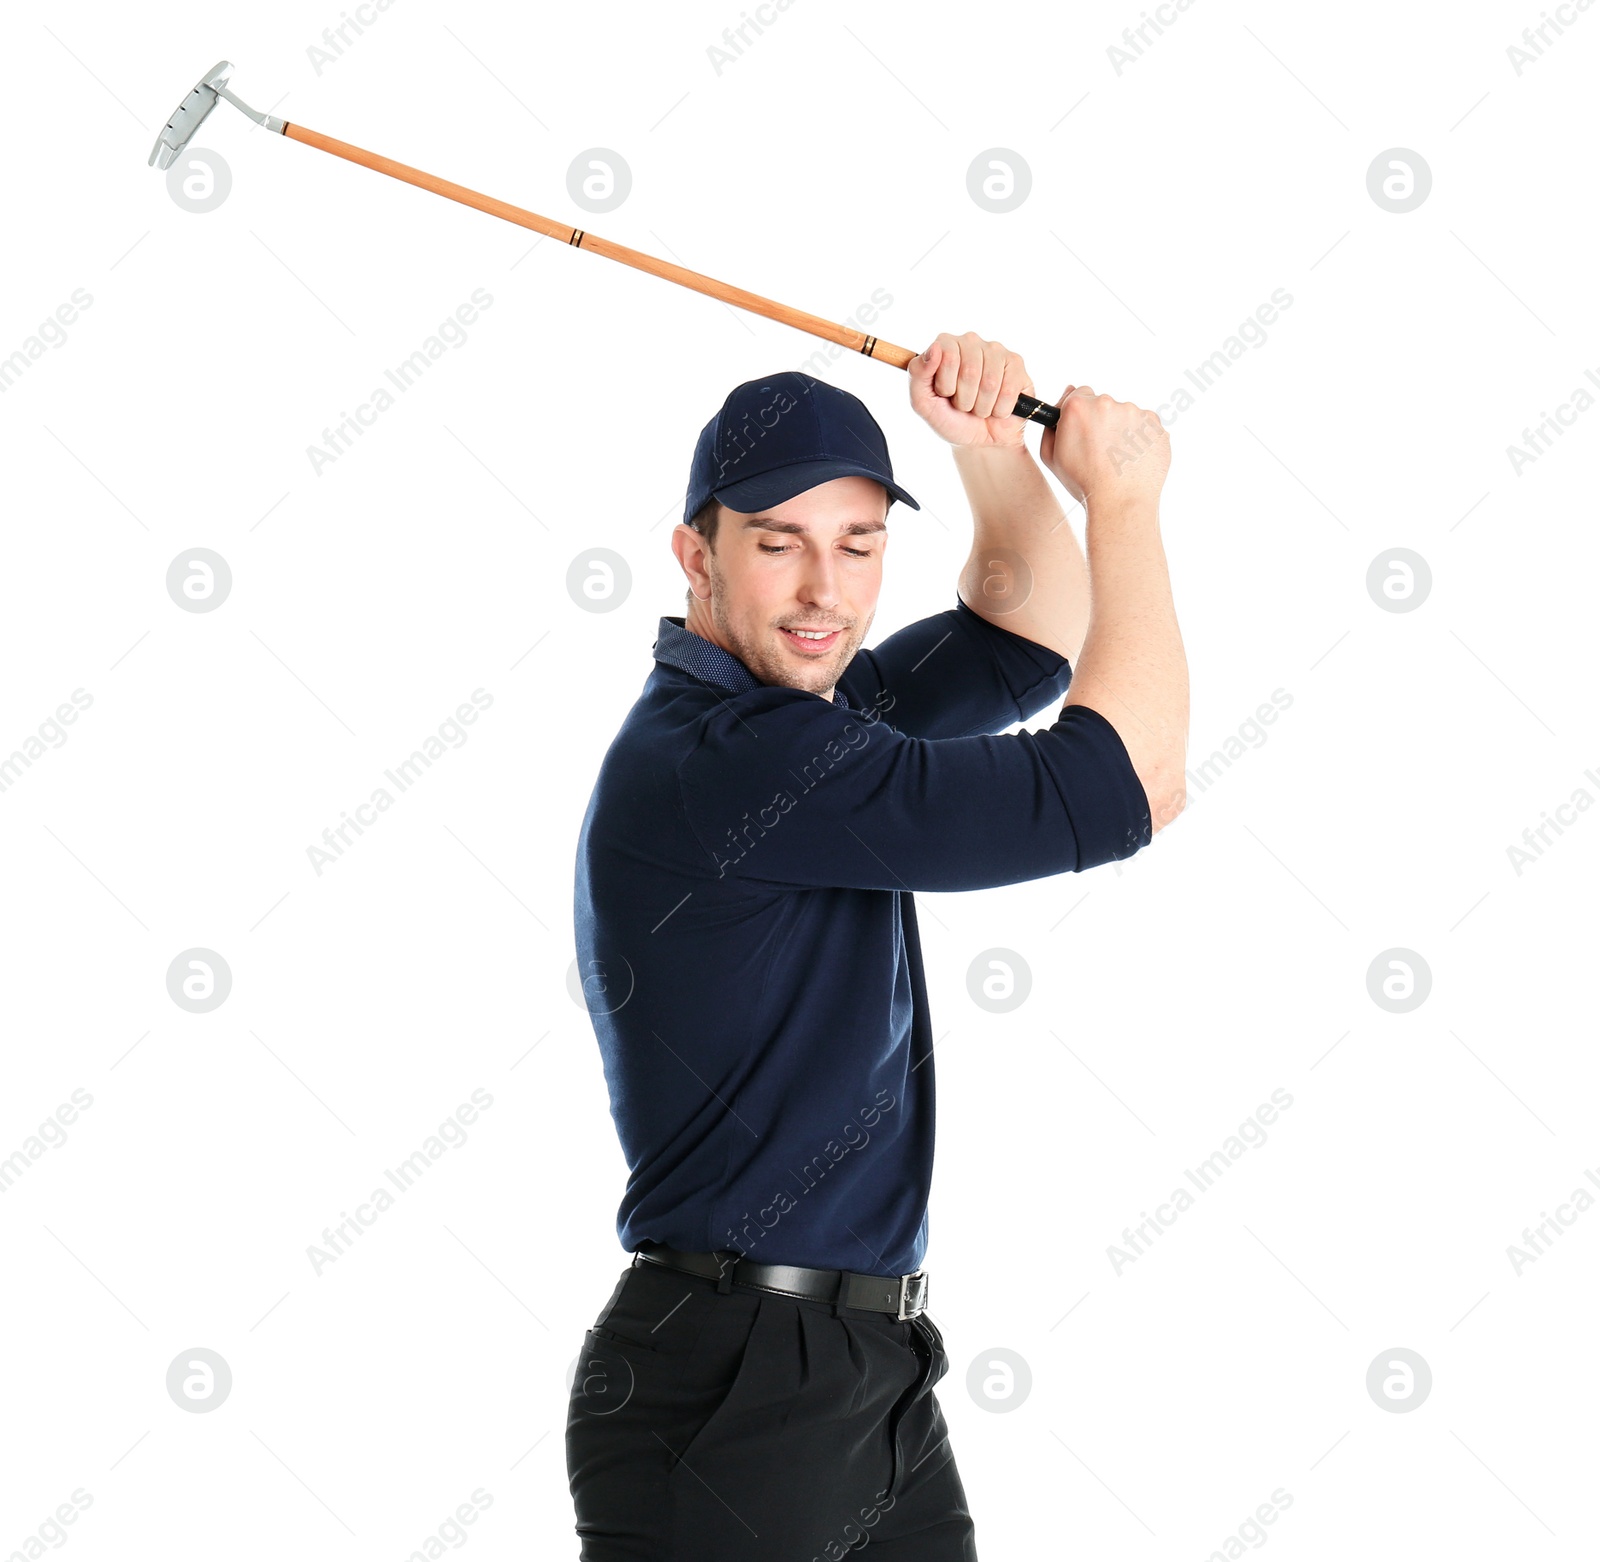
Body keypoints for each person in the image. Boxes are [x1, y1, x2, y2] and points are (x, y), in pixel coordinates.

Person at [567, 332, 1189, 1560]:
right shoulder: (740, 760)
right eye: (778, 543)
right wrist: (1123, 501)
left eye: (857, 546)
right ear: (696, 554)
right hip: (733, 1387)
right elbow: (1130, 782)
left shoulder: (815, 715)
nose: (824, 592)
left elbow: (1031, 631)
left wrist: (989, 448)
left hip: (861, 1368)